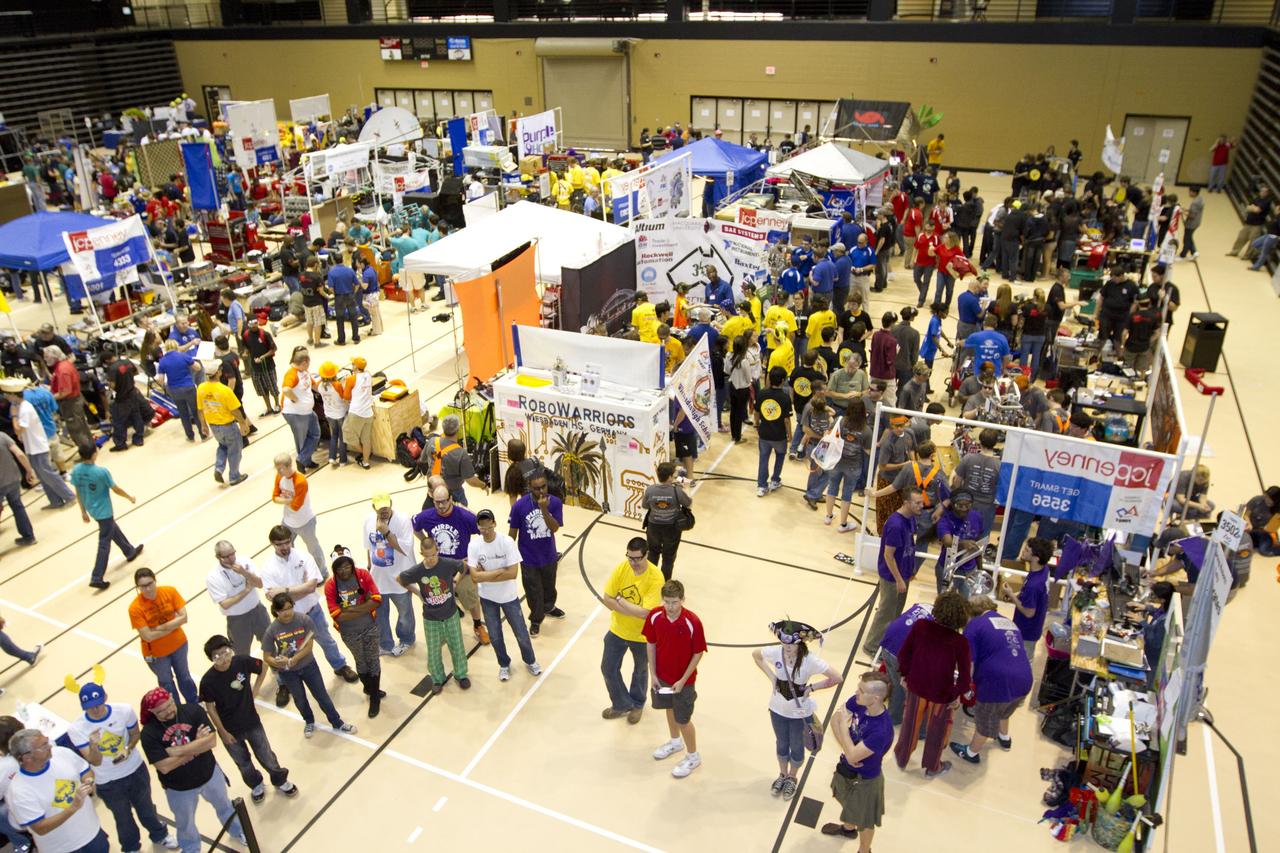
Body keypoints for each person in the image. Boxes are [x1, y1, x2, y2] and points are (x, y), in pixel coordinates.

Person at [65, 674, 178, 853]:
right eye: (89, 707)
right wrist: (93, 744)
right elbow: (95, 760)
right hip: (108, 782)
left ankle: (159, 835)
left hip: (135, 771)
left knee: (146, 809)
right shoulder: (77, 728)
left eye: (98, 704)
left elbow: (135, 734)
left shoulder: (124, 711)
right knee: (123, 818)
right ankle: (131, 847)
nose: (95, 710)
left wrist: (128, 748)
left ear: (105, 698)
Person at [138, 688, 247, 852]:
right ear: (152, 711)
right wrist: (197, 745)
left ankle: (238, 831)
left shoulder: (193, 711)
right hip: (178, 789)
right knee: (185, 823)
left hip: (210, 774)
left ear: (172, 698)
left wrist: (177, 751)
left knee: (225, 806)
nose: (168, 711)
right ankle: (191, 848)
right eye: (161, 711)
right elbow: (164, 767)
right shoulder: (148, 733)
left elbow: (211, 742)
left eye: (169, 705)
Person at [198, 635, 298, 803]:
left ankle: (280, 779)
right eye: (217, 656)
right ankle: (255, 784)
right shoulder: (208, 681)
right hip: (230, 730)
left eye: (225, 652)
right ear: (211, 659)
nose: (223, 658)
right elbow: (210, 707)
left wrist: (256, 689)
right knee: (243, 762)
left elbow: (263, 666)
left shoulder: (241, 661)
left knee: (266, 754)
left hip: (251, 721)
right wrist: (222, 732)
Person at [258, 525, 359, 685]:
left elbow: (311, 587)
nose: (284, 547)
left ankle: (340, 666)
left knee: (326, 641)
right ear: (272, 544)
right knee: (285, 651)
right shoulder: (268, 568)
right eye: (279, 544)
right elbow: (274, 599)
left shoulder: (304, 557)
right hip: (287, 620)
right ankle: (283, 683)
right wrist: (301, 588)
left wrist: (283, 590)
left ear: (291, 540)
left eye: (287, 542)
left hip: (312, 613)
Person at [752, 620, 842, 799]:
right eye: (783, 642)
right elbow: (756, 655)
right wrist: (772, 678)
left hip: (798, 714)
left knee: (797, 745)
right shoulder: (776, 652)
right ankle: (782, 774)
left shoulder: (810, 661)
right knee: (781, 743)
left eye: (790, 644)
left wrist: (812, 688)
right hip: (777, 709)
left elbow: (837, 677)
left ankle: (792, 777)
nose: (786, 647)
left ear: (800, 643)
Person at [895, 591, 970, 777]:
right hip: (941, 694)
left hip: (916, 686)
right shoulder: (960, 642)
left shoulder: (921, 626)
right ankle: (932, 766)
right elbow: (965, 678)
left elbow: (905, 654)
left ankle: (902, 757)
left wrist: (905, 675)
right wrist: (955, 694)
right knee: (937, 731)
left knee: (909, 725)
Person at [261, 592, 358, 738]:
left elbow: (308, 646)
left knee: (321, 695)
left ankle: (337, 722)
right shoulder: (272, 630)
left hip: (308, 666)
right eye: (282, 610)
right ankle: (309, 721)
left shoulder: (304, 620)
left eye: (289, 608)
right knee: (299, 699)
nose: (286, 613)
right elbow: (266, 656)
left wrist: (294, 659)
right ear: (275, 611)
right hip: (288, 672)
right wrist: (277, 662)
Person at [951, 596, 1035, 765]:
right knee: (1005, 709)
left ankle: (971, 752)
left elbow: (970, 663)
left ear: (971, 613)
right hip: (1025, 680)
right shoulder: (1008, 623)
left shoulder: (974, 626)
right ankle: (1004, 737)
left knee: (985, 719)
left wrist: (965, 687)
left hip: (997, 682)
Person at [821, 671, 895, 850]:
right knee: (845, 799)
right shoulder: (860, 702)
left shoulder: (881, 730)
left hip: (866, 780)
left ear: (876, 698)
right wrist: (849, 751)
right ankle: (848, 829)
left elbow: (853, 752)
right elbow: (834, 720)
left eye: (861, 690)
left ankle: (864, 849)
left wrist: (845, 733)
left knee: (865, 820)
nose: (856, 692)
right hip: (847, 768)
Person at [7, 729, 108, 853]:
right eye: (43, 746)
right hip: (63, 848)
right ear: (27, 757)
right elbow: (40, 828)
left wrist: (88, 782)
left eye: (47, 742)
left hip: (92, 832)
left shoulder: (61, 753)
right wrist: (73, 807)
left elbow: (85, 771)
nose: (50, 746)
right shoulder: (19, 791)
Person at [469, 508, 541, 681]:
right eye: (482, 527)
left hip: (509, 597)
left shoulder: (507, 542)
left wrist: (485, 575)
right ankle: (503, 664)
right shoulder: (474, 545)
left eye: (488, 525)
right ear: (478, 527)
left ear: (494, 523)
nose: (485, 530)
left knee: (521, 633)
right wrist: (499, 571)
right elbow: (474, 577)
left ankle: (530, 660)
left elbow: (512, 574)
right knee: (494, 635)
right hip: (487, 599)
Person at [599, 537, 665, 724]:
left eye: (637, 558)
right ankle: (621, 704)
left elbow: (645, 614)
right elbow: (607, 598)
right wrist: (629, 609)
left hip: (642, 636)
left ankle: (637, 704)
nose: (633, 563)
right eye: (630, 558)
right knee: (608, 668)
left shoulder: (656, 576)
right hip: (618, 630)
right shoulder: (622, 568)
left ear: (646, 555)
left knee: (640, 671)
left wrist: (620, 601)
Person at [644, 579, 706, 779]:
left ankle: (693, 756)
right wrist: (653, 673)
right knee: (669, 709)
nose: (670, 607)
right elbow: (651, 643)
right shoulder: (655, 616)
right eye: (667, 602)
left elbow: (698, 653)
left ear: (683, 600)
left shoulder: (692, 622)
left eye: (675, 602)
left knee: (683, 719)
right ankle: (675, 742)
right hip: (662, 677)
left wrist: (683, 679)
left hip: (684, 682)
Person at [412, 485, 489, 645]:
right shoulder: (426, 516)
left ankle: (477, 625)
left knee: (470, 595)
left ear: (451, 499)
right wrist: (426, 544)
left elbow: (485, 532)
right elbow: (415, 526)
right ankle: (442, 630)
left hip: (462, 564)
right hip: (438, 566)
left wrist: (476, 557)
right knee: (437, 599)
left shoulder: (465, 516)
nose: (440, 506)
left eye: (444, 502)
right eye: (437, 502)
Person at [398, 536, 471, 693]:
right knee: (433, 650)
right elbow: (400, 579)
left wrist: (455, 581)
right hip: (431, 619)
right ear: (421, 553)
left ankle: (461, 674)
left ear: (437, 550)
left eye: (433, 555)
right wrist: (417, 592)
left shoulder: (447, 563)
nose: (430, 559)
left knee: (457, 646)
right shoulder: (418, 570)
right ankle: (438, 678)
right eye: (426, 556)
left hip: (451, 614)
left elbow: (463, 566)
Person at [71, 444, 143, 590]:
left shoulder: (76, 470)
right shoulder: (101, 472)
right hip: (104, 511)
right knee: (104, 542)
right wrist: (129, 497)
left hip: (91, 508)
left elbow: (77, 490)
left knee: (112, 529)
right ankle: (97, 577)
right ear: (93, 454)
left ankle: (129, 551)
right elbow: (115, 489)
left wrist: (83, 511)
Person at [862, 487, 924, 655]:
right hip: (892, 577)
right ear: (906, 503)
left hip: (903, 574)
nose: (921, 506)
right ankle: (872, 646)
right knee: (886, 612)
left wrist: (909, 572)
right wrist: (898, 579)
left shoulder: (910, 519)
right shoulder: (896, 525)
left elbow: (909, 545)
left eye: (922, 502)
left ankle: (887, 643)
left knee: (895, 612)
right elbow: (888, 555)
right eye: (917, 503)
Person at [323, 555, 384, 718]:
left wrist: (349, 610)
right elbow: (337, 616)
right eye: (339, 569)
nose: (344, 571)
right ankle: (370, 687)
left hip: (370, 627)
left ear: (352, 565)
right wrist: (364, 606)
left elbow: (377, 600)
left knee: (373, 660)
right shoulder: (330, 586)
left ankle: (374, 696)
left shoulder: (363, 575)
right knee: (361, 661)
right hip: (349, 632)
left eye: (347, 567)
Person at [128, 568, 199, 706]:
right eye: (143, 586)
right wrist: (173, 625)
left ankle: (194, 703)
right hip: (156, 654)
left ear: (155, 580)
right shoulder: (135, 608)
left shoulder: (170, 592)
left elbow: (184, 618)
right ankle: (176, 709)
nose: (148, 589)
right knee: (167, 683)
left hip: (179, 645)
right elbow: (148, 636)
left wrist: (159, 628)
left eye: (150, 583)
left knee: (184, 676)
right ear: (138, 587)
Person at [508, 470, 565, 636]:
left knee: (549, 586)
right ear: (529, 488)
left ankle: (549, 607)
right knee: (533, 591)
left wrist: (544, 510)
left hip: (548, 554)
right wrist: (509, 554)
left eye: (544, 487)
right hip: (528, 557)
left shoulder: (555, 503)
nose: (541, 491)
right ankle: (536, 618)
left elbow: (554, 528)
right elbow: (513, 531)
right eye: (536, 488)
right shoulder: (519, 506)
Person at [363, 492, 417, 656]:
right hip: (378, 579)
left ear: (391, 503)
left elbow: (404, 548)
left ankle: (406, 639)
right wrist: (369, 565)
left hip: (400, 578)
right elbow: (368, 545)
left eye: (386, 506)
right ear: (374, 508)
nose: (384, 510)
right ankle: (385, 645)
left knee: (405, 615)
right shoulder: (368, 520)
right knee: (380, 616)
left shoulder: (403, 520)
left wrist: (386, 532)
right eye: (380, 508)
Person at [876, 603, 932, 725]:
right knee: (909, 689)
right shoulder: (936, 624)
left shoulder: (921, 605)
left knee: (896, 684)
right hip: (899, 655)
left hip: (887, 646)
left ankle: (894, 716)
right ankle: (908, 723)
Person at [196, 361, 250, 486]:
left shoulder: (201, 388)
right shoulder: (225, 390)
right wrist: (242, 423)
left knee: (223, 446)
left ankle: (219, 468)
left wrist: (203, 425)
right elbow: (235, 410)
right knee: (235, 450)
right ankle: (234, 476)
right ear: (218, 373)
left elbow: (200, 409)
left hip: (214, 426)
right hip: (228, 425)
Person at [824, 399, 871, 534]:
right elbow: (868, 451)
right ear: (863, 412)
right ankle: (843, 524)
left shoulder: (840, 421)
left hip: (836, 461)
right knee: (847, 493)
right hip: (853, 466)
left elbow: (828, 434)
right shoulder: (866, 430)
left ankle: (828, 516)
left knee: (832, 487)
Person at [1004, 536, 1053, 660]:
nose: (1022, 552)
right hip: (1034, 626)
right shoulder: (1043, 570)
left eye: (1026, 550)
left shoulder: (1034, 585)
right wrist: (1017, 594)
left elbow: (1029, 612)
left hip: (1027, 631)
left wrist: (1010, 595)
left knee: (1022, 662)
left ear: (1036, 558)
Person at [952, 428, 1002, 535]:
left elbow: (957, 481)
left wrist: (957, 497)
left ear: (980, 441)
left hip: (967, 503)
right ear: (995, 443)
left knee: (962, 533)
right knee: (982, 537)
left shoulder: (968, 458)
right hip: (987, 507)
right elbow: (1001, 489)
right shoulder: (999, 465)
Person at [934, 490, 984, 593]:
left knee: (967, 603)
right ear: (953, 505)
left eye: (968, 506)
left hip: (970, 569)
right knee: (946, 603)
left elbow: (978, 545)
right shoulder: (944, 521)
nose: (964, 509)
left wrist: (980, 570)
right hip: (948, 568)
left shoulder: (976, 517)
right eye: (959, 506)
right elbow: (948, 542)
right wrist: (963, 544)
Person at [755, 366, 793, 497]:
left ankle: (761, 485)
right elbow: (787, 420)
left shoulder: (762, 393)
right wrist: (790, 435)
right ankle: (775, 480)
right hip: (779, 436)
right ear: (783, 380)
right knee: (780, 456)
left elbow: (756, 412)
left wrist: (756, 425)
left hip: (764, 434)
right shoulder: (785, 397)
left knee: (763, 458)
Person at [280, 349, 321, 472]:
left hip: (307, 412)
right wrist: (295, 399)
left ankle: (304, 459)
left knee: (315, 434)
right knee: (301, 439)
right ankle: (303, 461)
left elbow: (313, 385)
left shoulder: (304, 372)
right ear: (304, 362)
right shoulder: (292, 373)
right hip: (296, 413)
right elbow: (286, 389)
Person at [44, 347, 93, 449]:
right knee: (82, 426)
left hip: (70, 403)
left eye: (46, 357)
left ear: (54, 356)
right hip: (74, 399)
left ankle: (87, 453)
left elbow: (65, 391)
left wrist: (49, 398)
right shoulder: (65, 364)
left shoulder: (62, 370)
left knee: (76, 429)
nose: (45, 359)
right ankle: (90, 448)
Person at [340, 357, 375, 469]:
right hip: (368, 412)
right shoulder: (368, 375)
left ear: (355, 366)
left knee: (347, 433)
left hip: (356, 412)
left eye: (352, 363)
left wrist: (344, 384)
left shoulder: (351, 379)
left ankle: (363, 452)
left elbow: (346, 398)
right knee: (366, 439)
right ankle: (366, 461)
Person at [242, 316, 280, 416]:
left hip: (268, 366)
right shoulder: (246, 335)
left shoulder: (265, 334)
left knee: (273, 387)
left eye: (255, 323)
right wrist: (246, 353)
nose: (254, 326)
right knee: (262, 389)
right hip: (255, 367)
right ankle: (268, 407)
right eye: (251, 324)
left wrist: (264, 356)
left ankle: (277, 404)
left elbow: (274, 348)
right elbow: (246, 347)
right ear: (248, 325)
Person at [1244, 486, 1280, 557]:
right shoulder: (1257, 500)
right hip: (1249, 529)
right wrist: (1249, 523)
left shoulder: (1277, 511)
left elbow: (1271, 529)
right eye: (1266, 497)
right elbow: (1246, 515)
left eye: (1270, 500)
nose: (1266, 500)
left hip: (1264, 532)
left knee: (1264, 550)